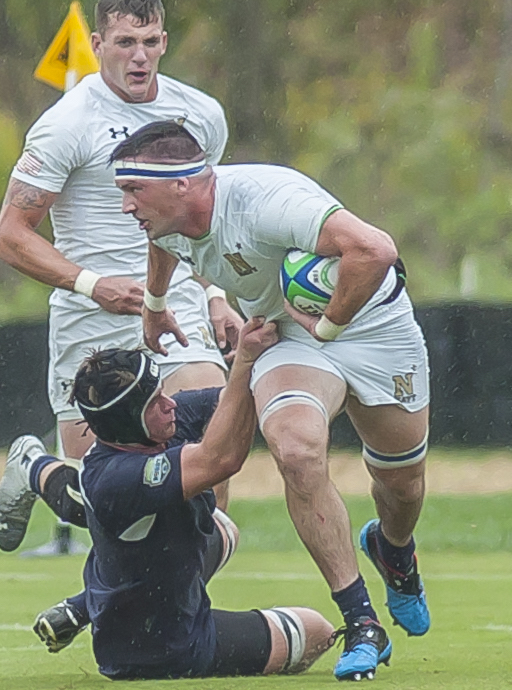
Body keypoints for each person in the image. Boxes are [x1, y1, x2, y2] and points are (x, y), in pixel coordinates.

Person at [111, 120, 429, 681]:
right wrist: (155, 302)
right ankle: (361, 621)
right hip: (283, 332)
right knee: (296, 448)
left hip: (374, 327)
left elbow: (376, 251)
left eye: (134, 191)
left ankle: (394, 550)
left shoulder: (265, 201)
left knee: (402, 484)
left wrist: (328, 328)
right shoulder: (169, 219)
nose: (126, 206)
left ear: (183, 183)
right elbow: (160, 244)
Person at [0, 0, 241, 555]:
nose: (140, 56)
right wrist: (92, 284)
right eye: (126, 42)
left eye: (151, 42)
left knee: (211, 457)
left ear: (165, 42)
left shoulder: (200, 115)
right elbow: (9, 235)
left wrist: (216, 296)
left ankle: (178, 622)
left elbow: (201, 220)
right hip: (90, 317)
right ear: (98, 43)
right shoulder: (66, 123)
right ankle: (34, 467)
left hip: (172, 303)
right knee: (98, 505)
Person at [0, 320, 338, 680]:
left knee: (224, 528)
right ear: (128, 421)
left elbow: (232, 402)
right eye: (155, 401)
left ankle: (82, 600)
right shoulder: (117, 478)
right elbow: (222, 459)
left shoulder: (153, 427)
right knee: (319, 631)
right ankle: (89, 597)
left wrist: (276, 366)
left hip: (150, 587)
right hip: (161, 647)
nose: (170, 403)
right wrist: (245, 363)